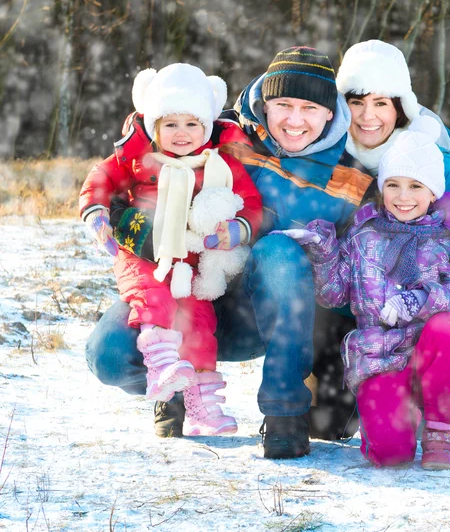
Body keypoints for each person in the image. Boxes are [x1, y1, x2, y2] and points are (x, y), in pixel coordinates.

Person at [84, 47, 377, 458]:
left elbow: (407, 223)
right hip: (176, 286)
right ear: (263, 104)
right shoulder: (226, 137)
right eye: (283, 105)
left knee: (279, 249)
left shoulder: (353, 178)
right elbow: (150, 137)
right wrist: (122, 216)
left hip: (268, 314)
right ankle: (176, 381)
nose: (295, 120)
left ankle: (285, 412)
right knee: (109, 356)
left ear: (330, 113)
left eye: (309, 107)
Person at [275, 117, 450, 470]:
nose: (403, 197)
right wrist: (323, 249)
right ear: (382, 187)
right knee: (389, 457)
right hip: (379, 356)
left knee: (444, 325)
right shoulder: (364, 235)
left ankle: (440, 426)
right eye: (393, 185)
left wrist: (419, 301)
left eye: (415, 186)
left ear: (433, 192)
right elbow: (334, 294)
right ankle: (401, 411)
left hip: (430, 351)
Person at [80, 64, 263, 437]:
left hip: (192, 262)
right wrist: (97, 211)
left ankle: (202, 404)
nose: (181, 134)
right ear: (154, 126)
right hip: (144, 252)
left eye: (192, 124)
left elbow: (250, 202)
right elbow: (99, 178)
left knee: (199, 321)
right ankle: (160, 361)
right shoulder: (136, 158)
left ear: (207, 127)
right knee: (155, 297)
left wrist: (237, 228)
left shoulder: (219, 164)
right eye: (171, 124)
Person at [336, 39, 450, 317]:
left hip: (416, 306)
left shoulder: (430, 160)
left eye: (380, 103)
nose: (367, 115)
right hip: (347, 297)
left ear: (400, 107)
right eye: (357, 102)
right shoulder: (329, 156)